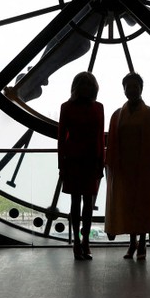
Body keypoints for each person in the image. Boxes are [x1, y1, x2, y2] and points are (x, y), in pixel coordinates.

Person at [104, 72, 150, 260]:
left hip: (127, 168)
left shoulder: (118, 115)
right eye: (130, 87)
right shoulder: (149, 113)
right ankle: (140, 243)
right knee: (142, 206)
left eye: (134, 86)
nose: (132, 90)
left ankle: (134, 243)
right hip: (143, 167)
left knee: (128, 206)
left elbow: (112, 145)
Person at [58, 71, 105, 260]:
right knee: (87, 205)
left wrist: (62, 164)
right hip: (91, 161)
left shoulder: (66, 108)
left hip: (73, 160)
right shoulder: (99, 108)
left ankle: (77, 242)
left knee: (75, 204)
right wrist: (101, 162)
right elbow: (100, 137)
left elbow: (61, 139)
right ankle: (85, 241)